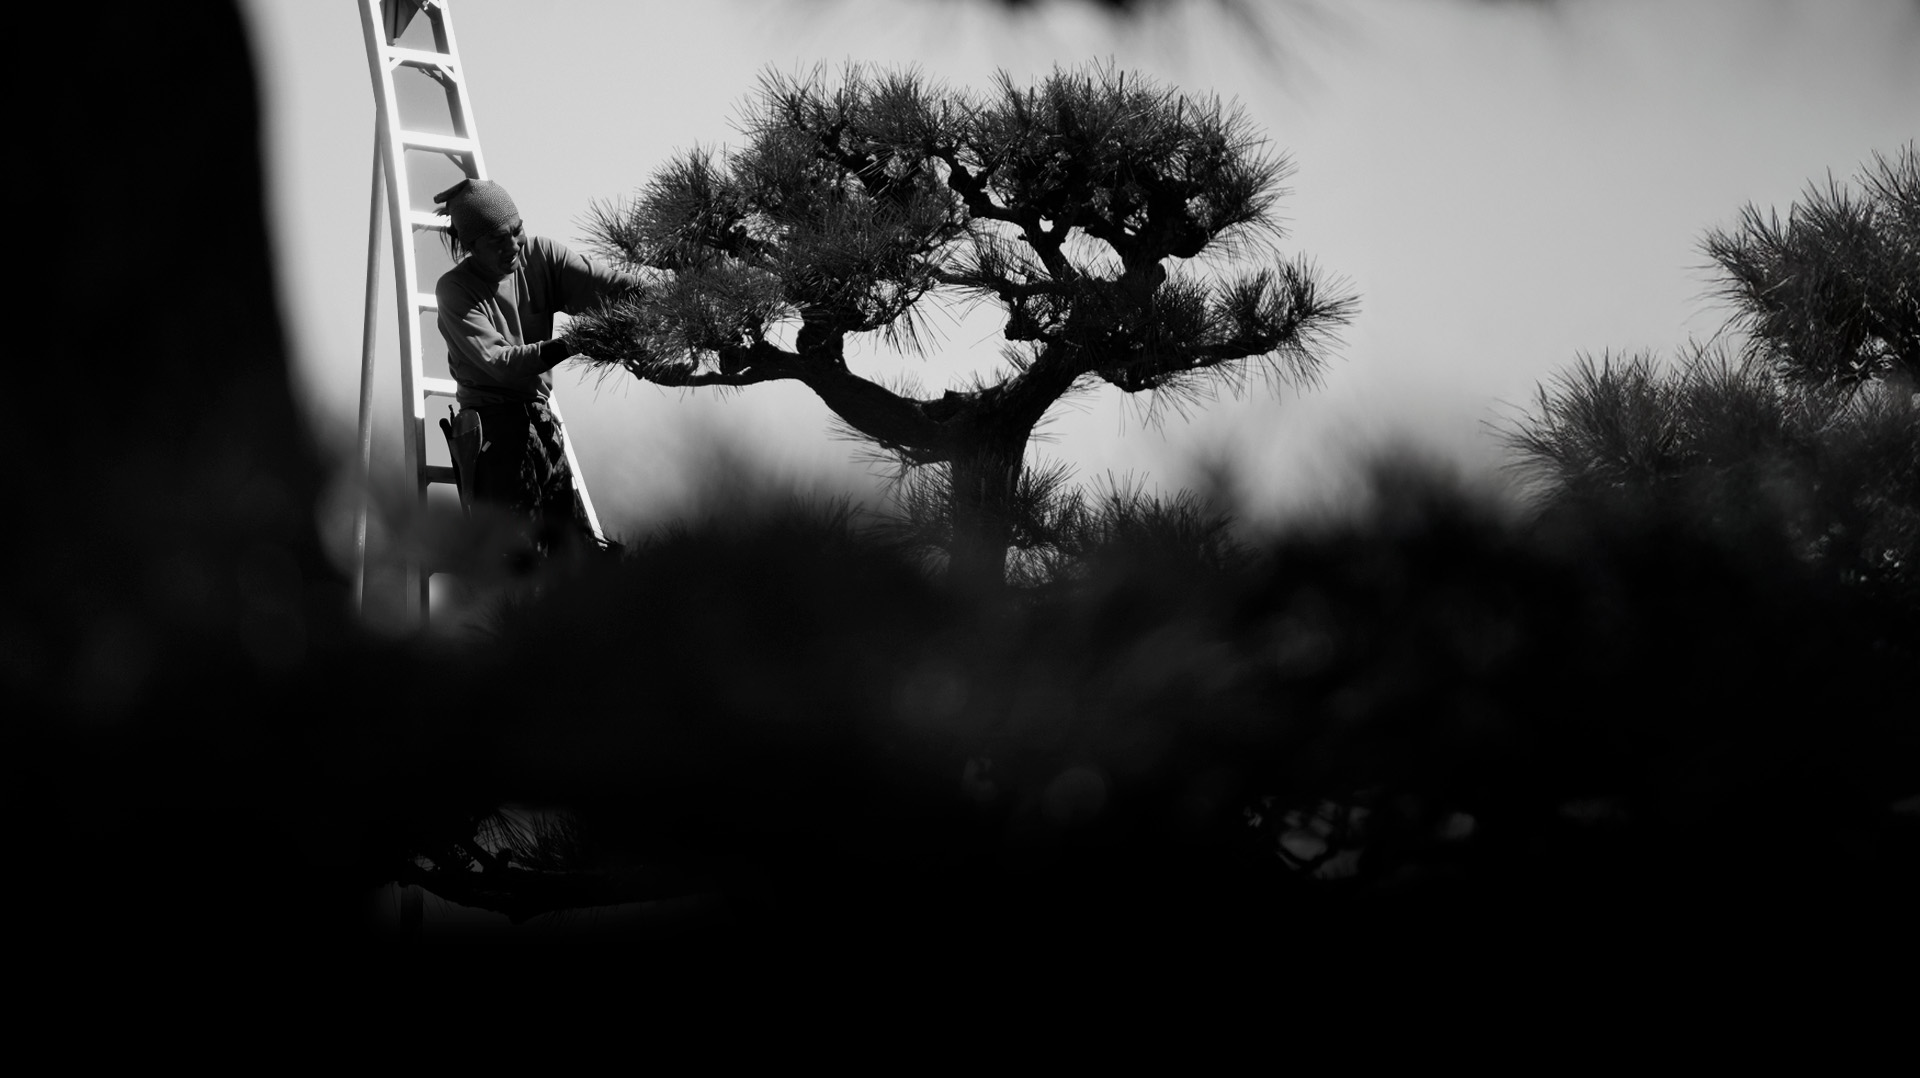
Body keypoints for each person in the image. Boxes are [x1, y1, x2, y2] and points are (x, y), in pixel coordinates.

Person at [432, 178, 638, 568]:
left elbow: (607, 287)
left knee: (577, 557)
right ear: (471, 246)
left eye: (517, 231)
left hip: (541, 423)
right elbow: (500, 363)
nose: (513, 245)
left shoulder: (541, 256)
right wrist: (570, 343)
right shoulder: (455, 290)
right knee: (520, 564)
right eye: (497, 240)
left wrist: (669, 296)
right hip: (494, 433)